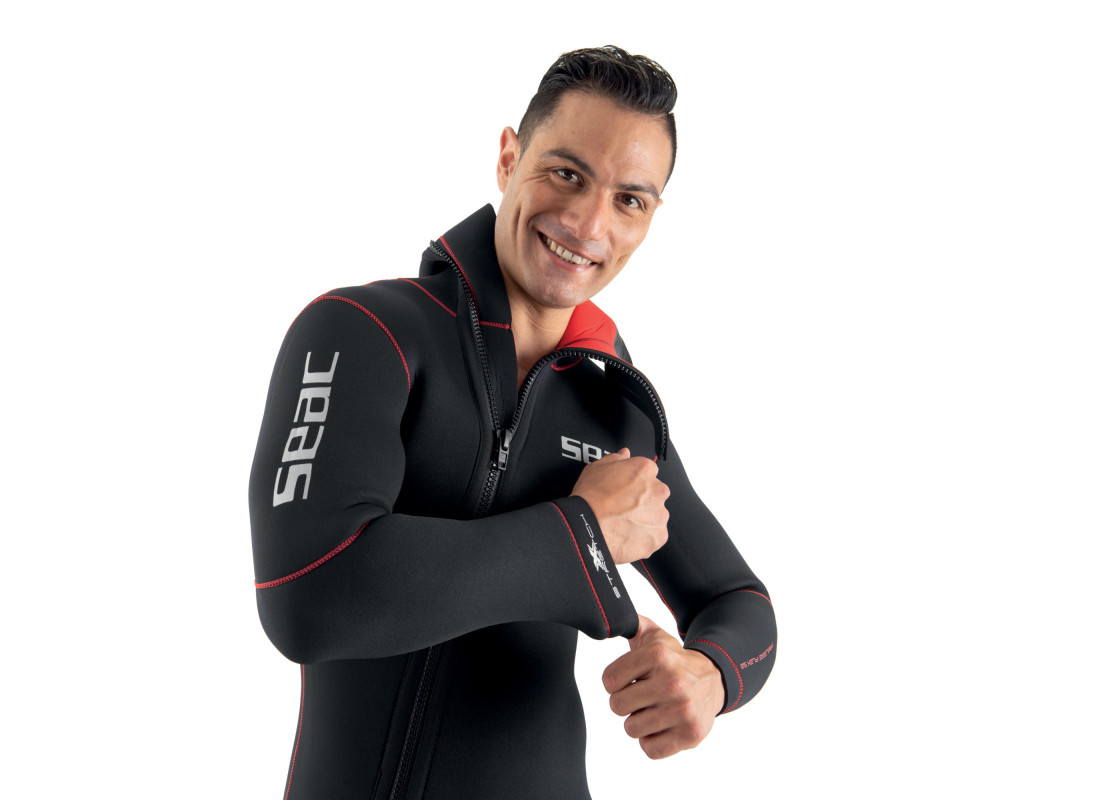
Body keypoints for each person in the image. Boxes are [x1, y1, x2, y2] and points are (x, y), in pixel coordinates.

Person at [249, 45, 776, 800]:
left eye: (629, 200)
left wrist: (710, 674)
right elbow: (310, 598)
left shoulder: (617, 407)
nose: (587, 223)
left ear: (650, 219)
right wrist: (580, 536)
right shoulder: (363, 334)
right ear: (508, 158)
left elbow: (740, 604)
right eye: (567, 174)